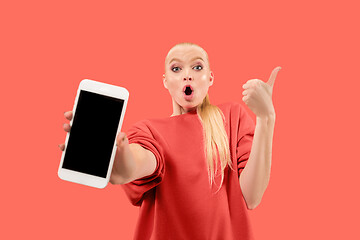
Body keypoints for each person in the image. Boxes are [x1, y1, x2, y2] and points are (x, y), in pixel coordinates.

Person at [59, 42, 281, 240]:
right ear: (165, 81)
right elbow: (135, 165)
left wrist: (265, 118)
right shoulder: (150, 130)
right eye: (177, 69)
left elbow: (252, 197)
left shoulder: (232, 117)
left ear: (210, 77)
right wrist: (119, 154)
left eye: (197, 67)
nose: (187, 75)